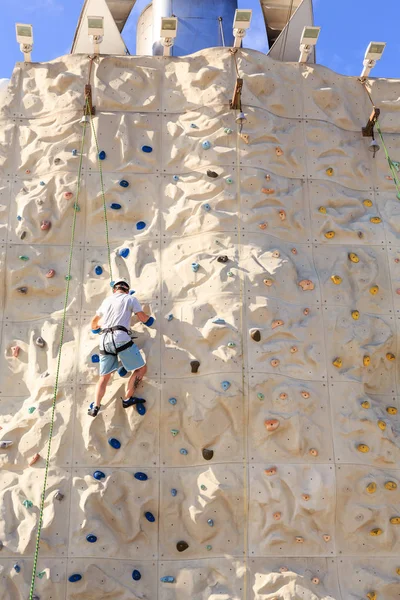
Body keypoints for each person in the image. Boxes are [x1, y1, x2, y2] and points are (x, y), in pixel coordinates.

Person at [88, 279, 155, 418]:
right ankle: (127, 399)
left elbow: (94, 321)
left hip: (104, 340)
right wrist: (150, 321)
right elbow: (142, 318)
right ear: (127, 290)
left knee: (104, 378)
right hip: (120, 338)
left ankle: (95, 406)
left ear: (115, 290)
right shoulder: (130, 299)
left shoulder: (106, 301)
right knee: (141, 369)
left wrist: (95, 329)